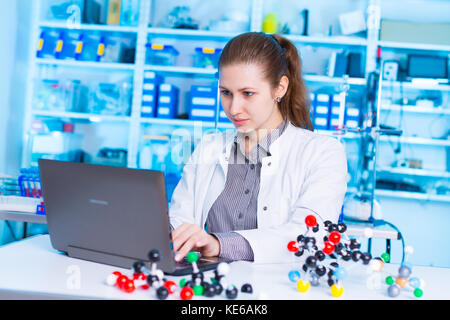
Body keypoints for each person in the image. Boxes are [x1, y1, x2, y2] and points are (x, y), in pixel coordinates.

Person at [168, 32, 347, 264]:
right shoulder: (209, 146)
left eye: (248, 93)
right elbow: (179, 217)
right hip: (207, 283)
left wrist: (218, 244)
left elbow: (308, 235)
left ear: (280, 88)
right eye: (226, 93)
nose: (234, 108)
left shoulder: (323, 152)